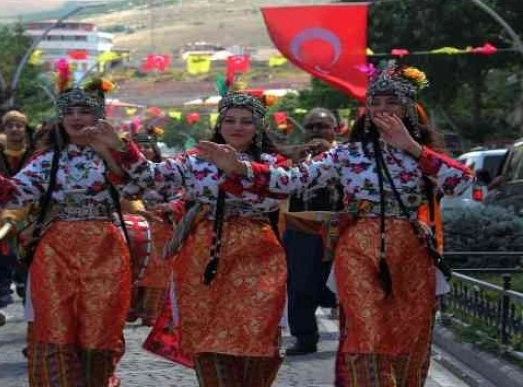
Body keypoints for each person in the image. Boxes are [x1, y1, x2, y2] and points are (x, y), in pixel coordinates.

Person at [198, 63, 474, 386]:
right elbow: (292, 180)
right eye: (376, 102)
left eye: (391, 102)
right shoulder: (347, 155)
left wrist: (410, 147)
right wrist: (244, 170)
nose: (383, 109)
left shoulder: (421, 155)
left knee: (407, 335)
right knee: (366, 333)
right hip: (358, 248)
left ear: (409, 109)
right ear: (366, 109)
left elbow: (462, 182)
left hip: (411, 251)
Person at [97, 90, 288, 386]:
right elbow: (152, 177)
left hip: (257, 254)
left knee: (257, 329)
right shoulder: (196, 159)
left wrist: (236, 171)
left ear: (259, 126)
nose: (237, 127)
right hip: (204, 254)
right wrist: (121, 147)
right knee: (207, 331)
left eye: (246, 122)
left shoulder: (272, 162)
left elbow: (276, 196)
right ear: (219, 124)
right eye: (230, 121)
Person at [0, 79, 131, 386]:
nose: (76, 118)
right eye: (70, 112)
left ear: (99, 117)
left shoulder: (117, 156)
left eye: (84, 112)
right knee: (55, 326)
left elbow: (149, 189)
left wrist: (117, 152)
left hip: (105, 251)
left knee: (100, 329)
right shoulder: (48, 160)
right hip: (55, 253)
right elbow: (12, 195)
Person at [283, 108, 343, 356]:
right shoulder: (292, 157)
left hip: (341, 232)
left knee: (345, 286)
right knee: (299, 286)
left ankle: (354, 338)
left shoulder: (348, 156)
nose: (316, 132)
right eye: (311, 127)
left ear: (335, 130)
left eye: (323, 126)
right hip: (301, 232)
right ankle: (305, 337)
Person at [123, 127, 185, 327]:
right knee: (130, 267)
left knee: (158, 269)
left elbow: (179, 195)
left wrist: (168, 207)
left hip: (160, 224)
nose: (145, 150)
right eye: (140, 147)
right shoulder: (123, 172)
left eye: (148, 147)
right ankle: (130, 309)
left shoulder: (165, 171)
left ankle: (152, 312)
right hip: (132, 224)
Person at [0, 110, 35, 327]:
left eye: (19, 125)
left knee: (29, 262)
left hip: (29, 216)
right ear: (3, 130)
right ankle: (0, 306)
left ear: (25, 128)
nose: (15, 129)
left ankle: (30, 306)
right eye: (10, 126)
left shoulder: (36, 157)